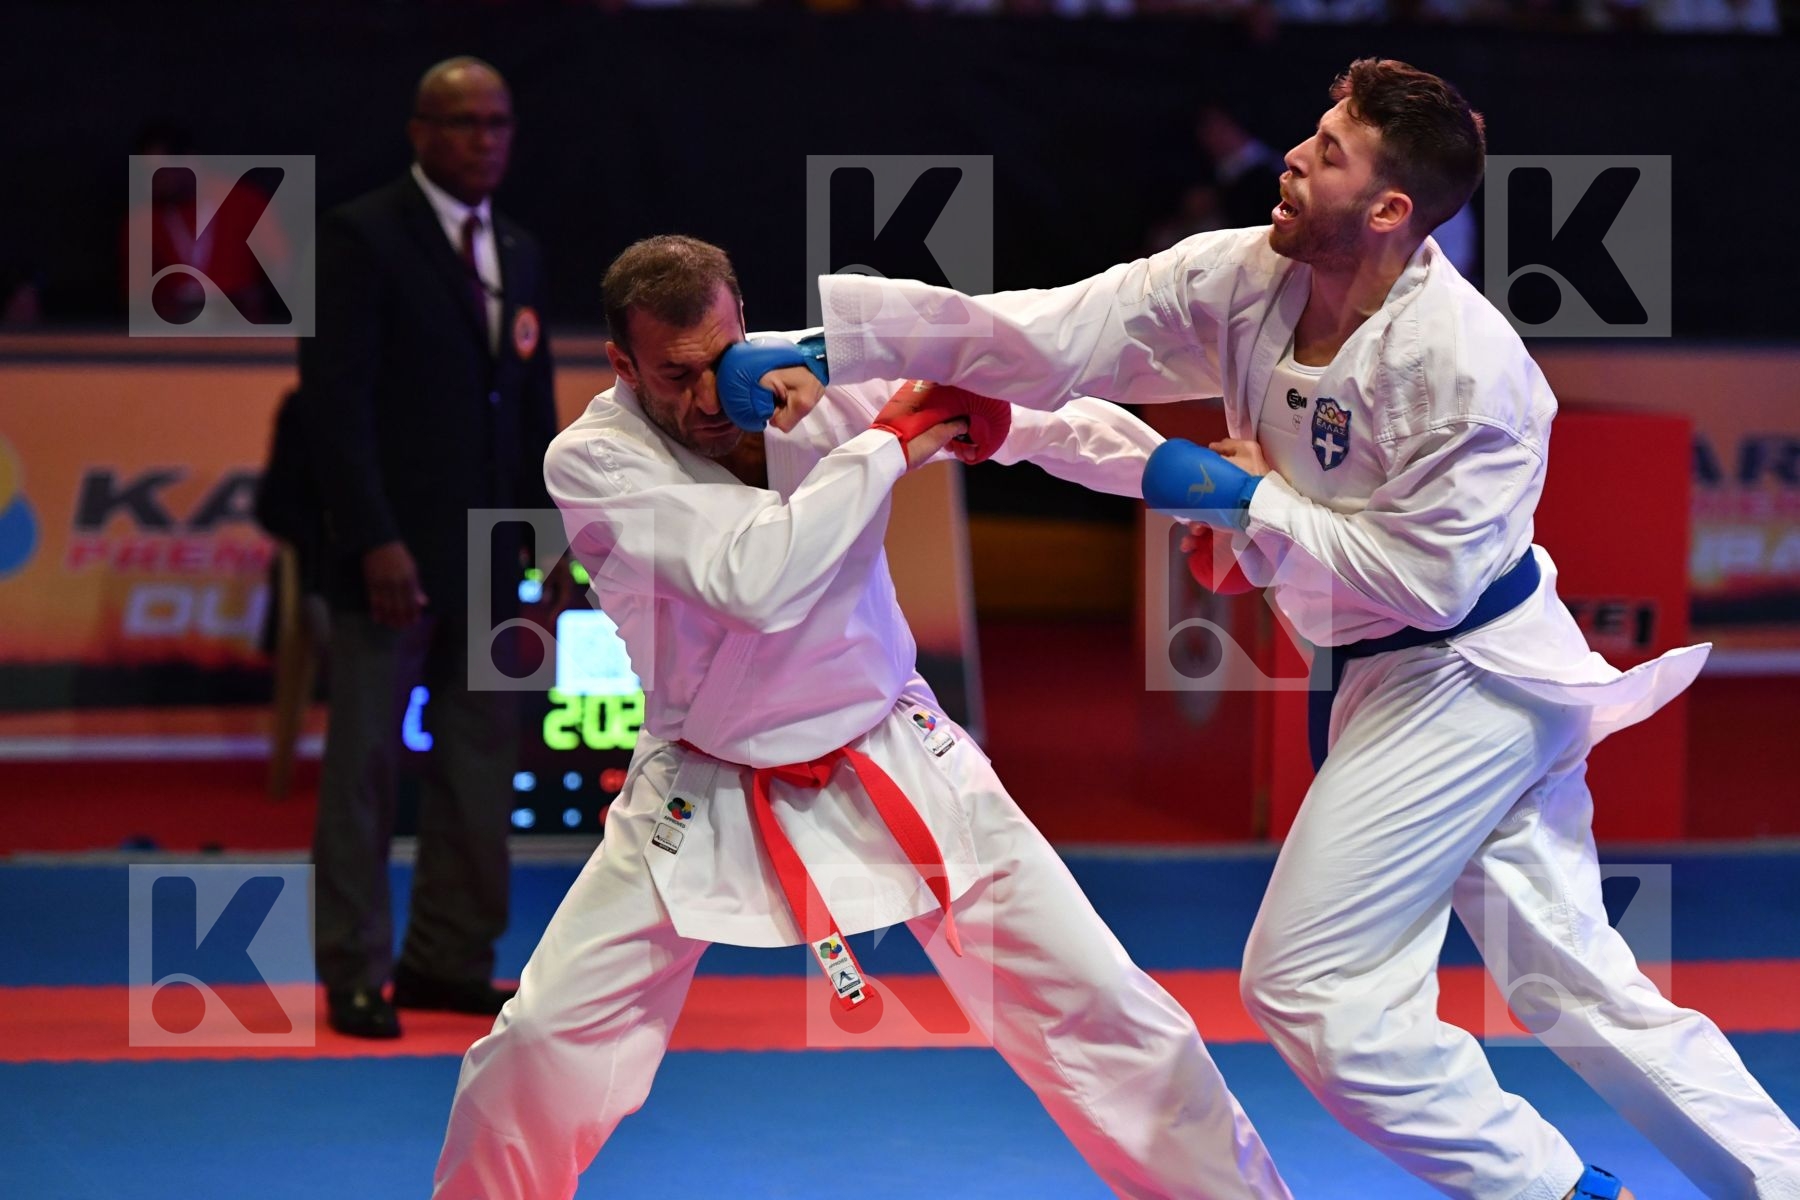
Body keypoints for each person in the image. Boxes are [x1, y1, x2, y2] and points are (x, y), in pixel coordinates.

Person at [810, 57, 1800, 1200]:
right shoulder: (1245, 275)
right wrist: (856, 363)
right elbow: (1054, 336)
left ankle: (1560, 1192)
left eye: (1328, 151)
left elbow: (1424, 580)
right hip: (1409, 678)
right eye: (1311, 133)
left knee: (1309, 987)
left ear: (1389, 210)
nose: (1291, 155)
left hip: (1469, 676)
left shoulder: (1472, 373)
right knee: (1576, 984)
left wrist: (1248, 502)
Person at [430, 235, 1292, 1200]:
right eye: (677, 376)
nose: (713, 396)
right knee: (539, 1046)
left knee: (1109, 1014)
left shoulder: (823, 373)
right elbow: (753, 578)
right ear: (622, 366)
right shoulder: (593, 460)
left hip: (894, 750)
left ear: (745, 323)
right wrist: (891, 442)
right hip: (703, 781)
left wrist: (1216, 494)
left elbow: (1044, 422)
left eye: (725, 357)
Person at [301, 56, 558, 1039]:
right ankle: (354, 971)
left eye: (498, 122)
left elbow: (533, 413)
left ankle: (450, 960)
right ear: (419, 132)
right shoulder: (360, 237)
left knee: (482, 766)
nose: (484, 139)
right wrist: (373, 538)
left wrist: (545, 551)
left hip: (494, 557)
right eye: (462, 122)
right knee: (365, 768)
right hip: (392, 561)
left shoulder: (520, 251)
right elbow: (335, 408)